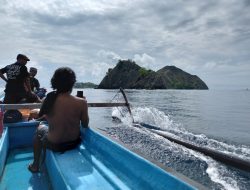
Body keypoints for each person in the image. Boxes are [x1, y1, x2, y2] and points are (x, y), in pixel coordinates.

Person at [28, 67, 89, 173]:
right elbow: (85, 124)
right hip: (74, 143)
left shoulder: (50, 98)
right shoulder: (82, 102)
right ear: (72, 83)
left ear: (54, 82)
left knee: (40, 128)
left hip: (54, 144)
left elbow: (42, 116)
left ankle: (35, 165)